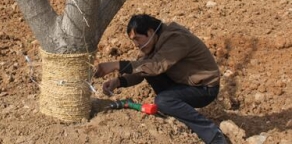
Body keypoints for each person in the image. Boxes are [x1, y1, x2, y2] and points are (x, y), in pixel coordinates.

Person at [94, 14, 227, 144]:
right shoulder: (152, 42)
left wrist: (116, 65)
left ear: (150, 32)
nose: (135, 45)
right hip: (184, 83)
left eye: (137, 39)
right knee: (147, 70)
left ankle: (214, 136)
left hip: (204, 88)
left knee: (163, 100)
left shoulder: (175, 38)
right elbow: (141, 69)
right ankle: (174, 111)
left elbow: (156, 66)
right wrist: (118, 81)